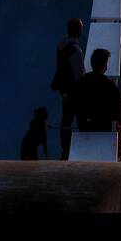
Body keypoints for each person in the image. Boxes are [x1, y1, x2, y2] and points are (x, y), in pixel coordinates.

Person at [50, 18, 85, 158]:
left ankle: (65, 148)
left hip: (63, 88)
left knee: (66, 119)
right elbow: (79, 74)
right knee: (81, 118)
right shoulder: (76, 51)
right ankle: (82, 145)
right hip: (73, 90)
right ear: (79, 31)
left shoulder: (61, 44)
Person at [70, 48, 120, 132]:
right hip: (103, 128)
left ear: (91, 63)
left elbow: (73, 106)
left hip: (84, 127)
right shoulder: (110, 87)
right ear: (105, 66)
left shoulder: (81, 82)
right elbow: (115, 114)